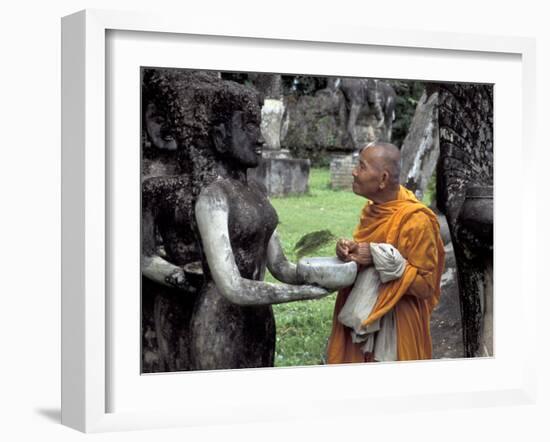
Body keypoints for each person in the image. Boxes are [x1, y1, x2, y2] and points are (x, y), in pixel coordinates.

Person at [141, 68, 329, 371]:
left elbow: (280, 266)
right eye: (248, 125)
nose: (260, 136)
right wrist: (304, 293)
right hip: (219, 318)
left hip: (258, 316)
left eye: (259, 124)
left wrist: (325, 272)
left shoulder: (256, 191)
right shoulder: (212, 197)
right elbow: (231, 286)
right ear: (219, 136)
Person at [327, 142, 445, 363]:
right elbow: (368, 251)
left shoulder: (416, 219)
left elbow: (426, 286)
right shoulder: (374, 209)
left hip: (398, 325)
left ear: (382, 179)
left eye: (361, 167)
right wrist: (349, 250)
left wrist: (377, 257)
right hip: (361, 316)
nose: (354, 172)